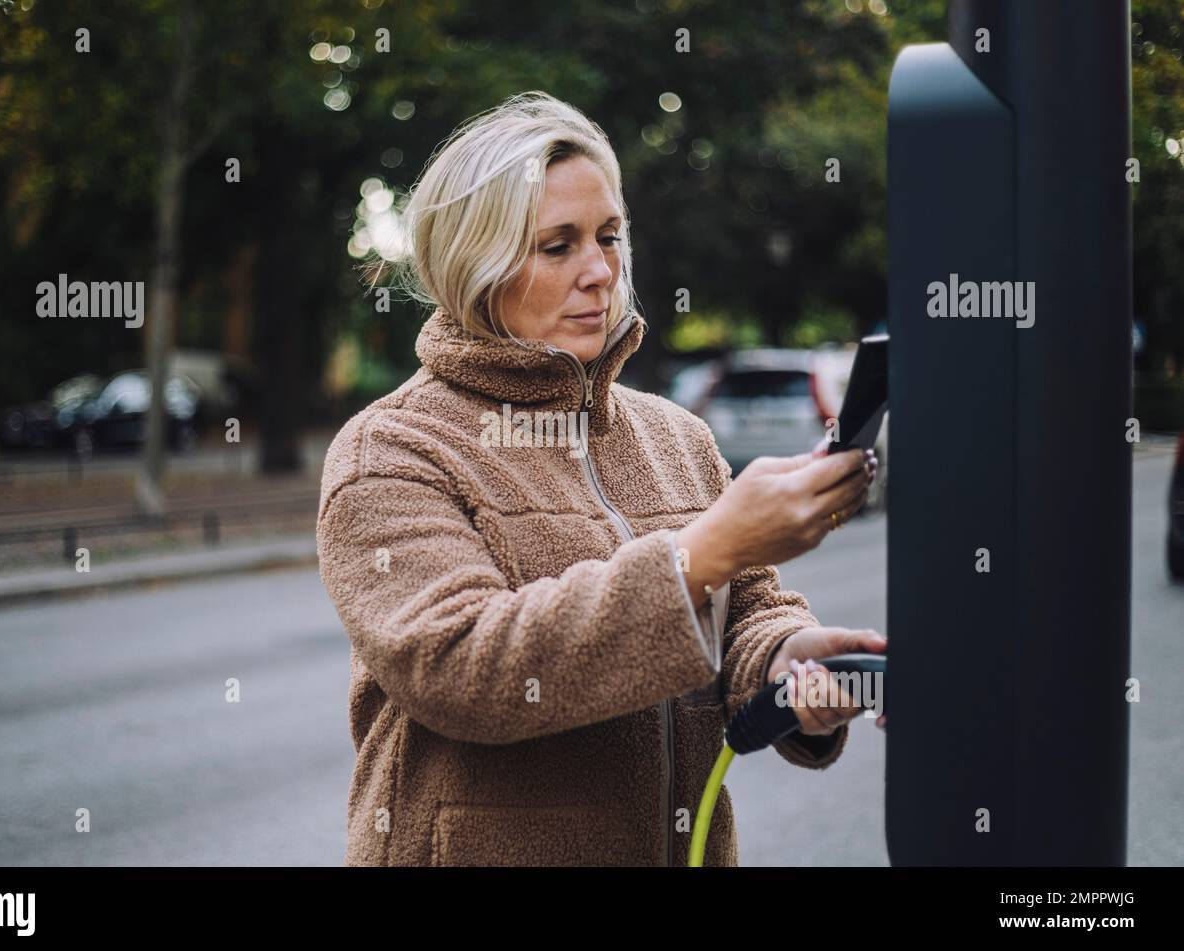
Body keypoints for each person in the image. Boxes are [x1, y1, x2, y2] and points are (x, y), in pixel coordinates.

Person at [317, 91, 885, 867]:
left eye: (609, 236)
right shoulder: (390, 450)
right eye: (558, 246)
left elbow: (747, 618)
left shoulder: (675, 436)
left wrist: (790, 665)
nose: (601, 271)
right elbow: (462, 668)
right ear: (474, 265)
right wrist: (703, 551)